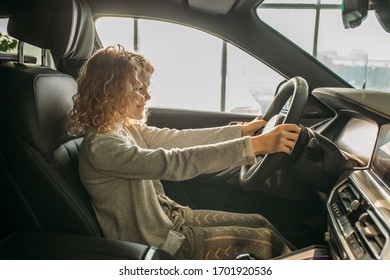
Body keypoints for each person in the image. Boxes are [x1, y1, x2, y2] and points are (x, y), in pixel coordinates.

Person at [69, 45, 301, 260]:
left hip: (171, 219)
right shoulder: (102, 147)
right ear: (111, 92)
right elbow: (173, 162)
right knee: (265, 242)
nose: (148, 97)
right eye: (139, 89)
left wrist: (241, 132)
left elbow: (178, 139)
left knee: (261, 222)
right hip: (157, 244)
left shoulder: (123, 126)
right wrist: (256, 146)